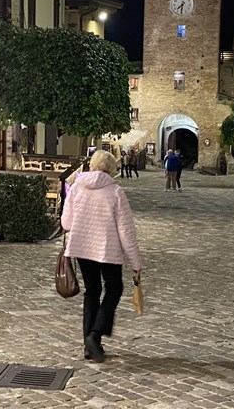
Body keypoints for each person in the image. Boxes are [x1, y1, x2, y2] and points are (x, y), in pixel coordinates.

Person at [61, 149, 143, 363]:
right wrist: (136, 262)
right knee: (114, 289)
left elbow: (66, 223)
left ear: (92, 165)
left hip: (82, 248)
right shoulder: (115, 192)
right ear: (112, 168)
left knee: (92, 291)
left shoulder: (77, 187)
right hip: (108, 250)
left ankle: (89, 346)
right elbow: (126, 231)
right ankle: (94, 335)